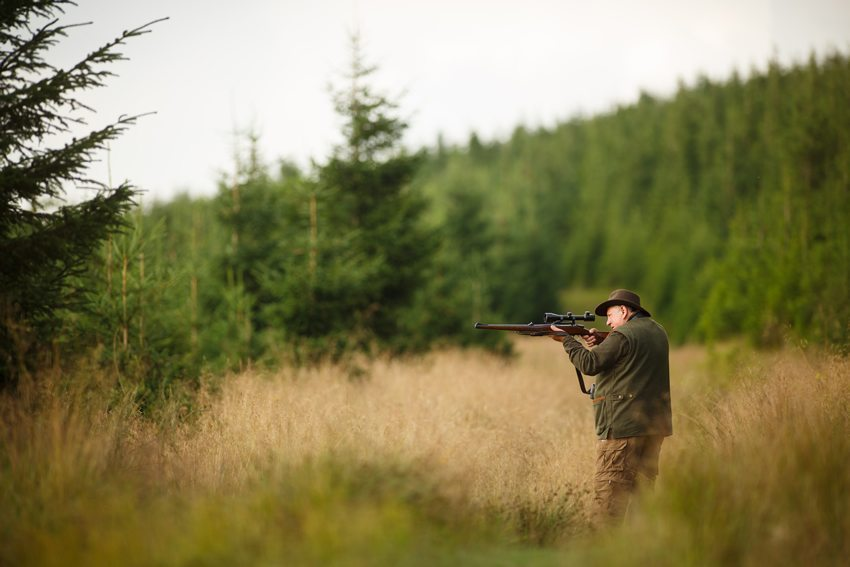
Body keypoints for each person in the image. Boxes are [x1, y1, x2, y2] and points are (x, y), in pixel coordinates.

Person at [550, 289, 672, 526]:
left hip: (622, 429)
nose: (607, 322)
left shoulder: (623, 335)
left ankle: (601, 553)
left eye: (610, 316)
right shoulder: (657, 331)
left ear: (624, 311)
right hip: (654, 428)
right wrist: (605, 339)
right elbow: (632, 355)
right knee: (642, 500)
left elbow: (589, 363)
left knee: (608, 500)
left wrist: (567, 339)